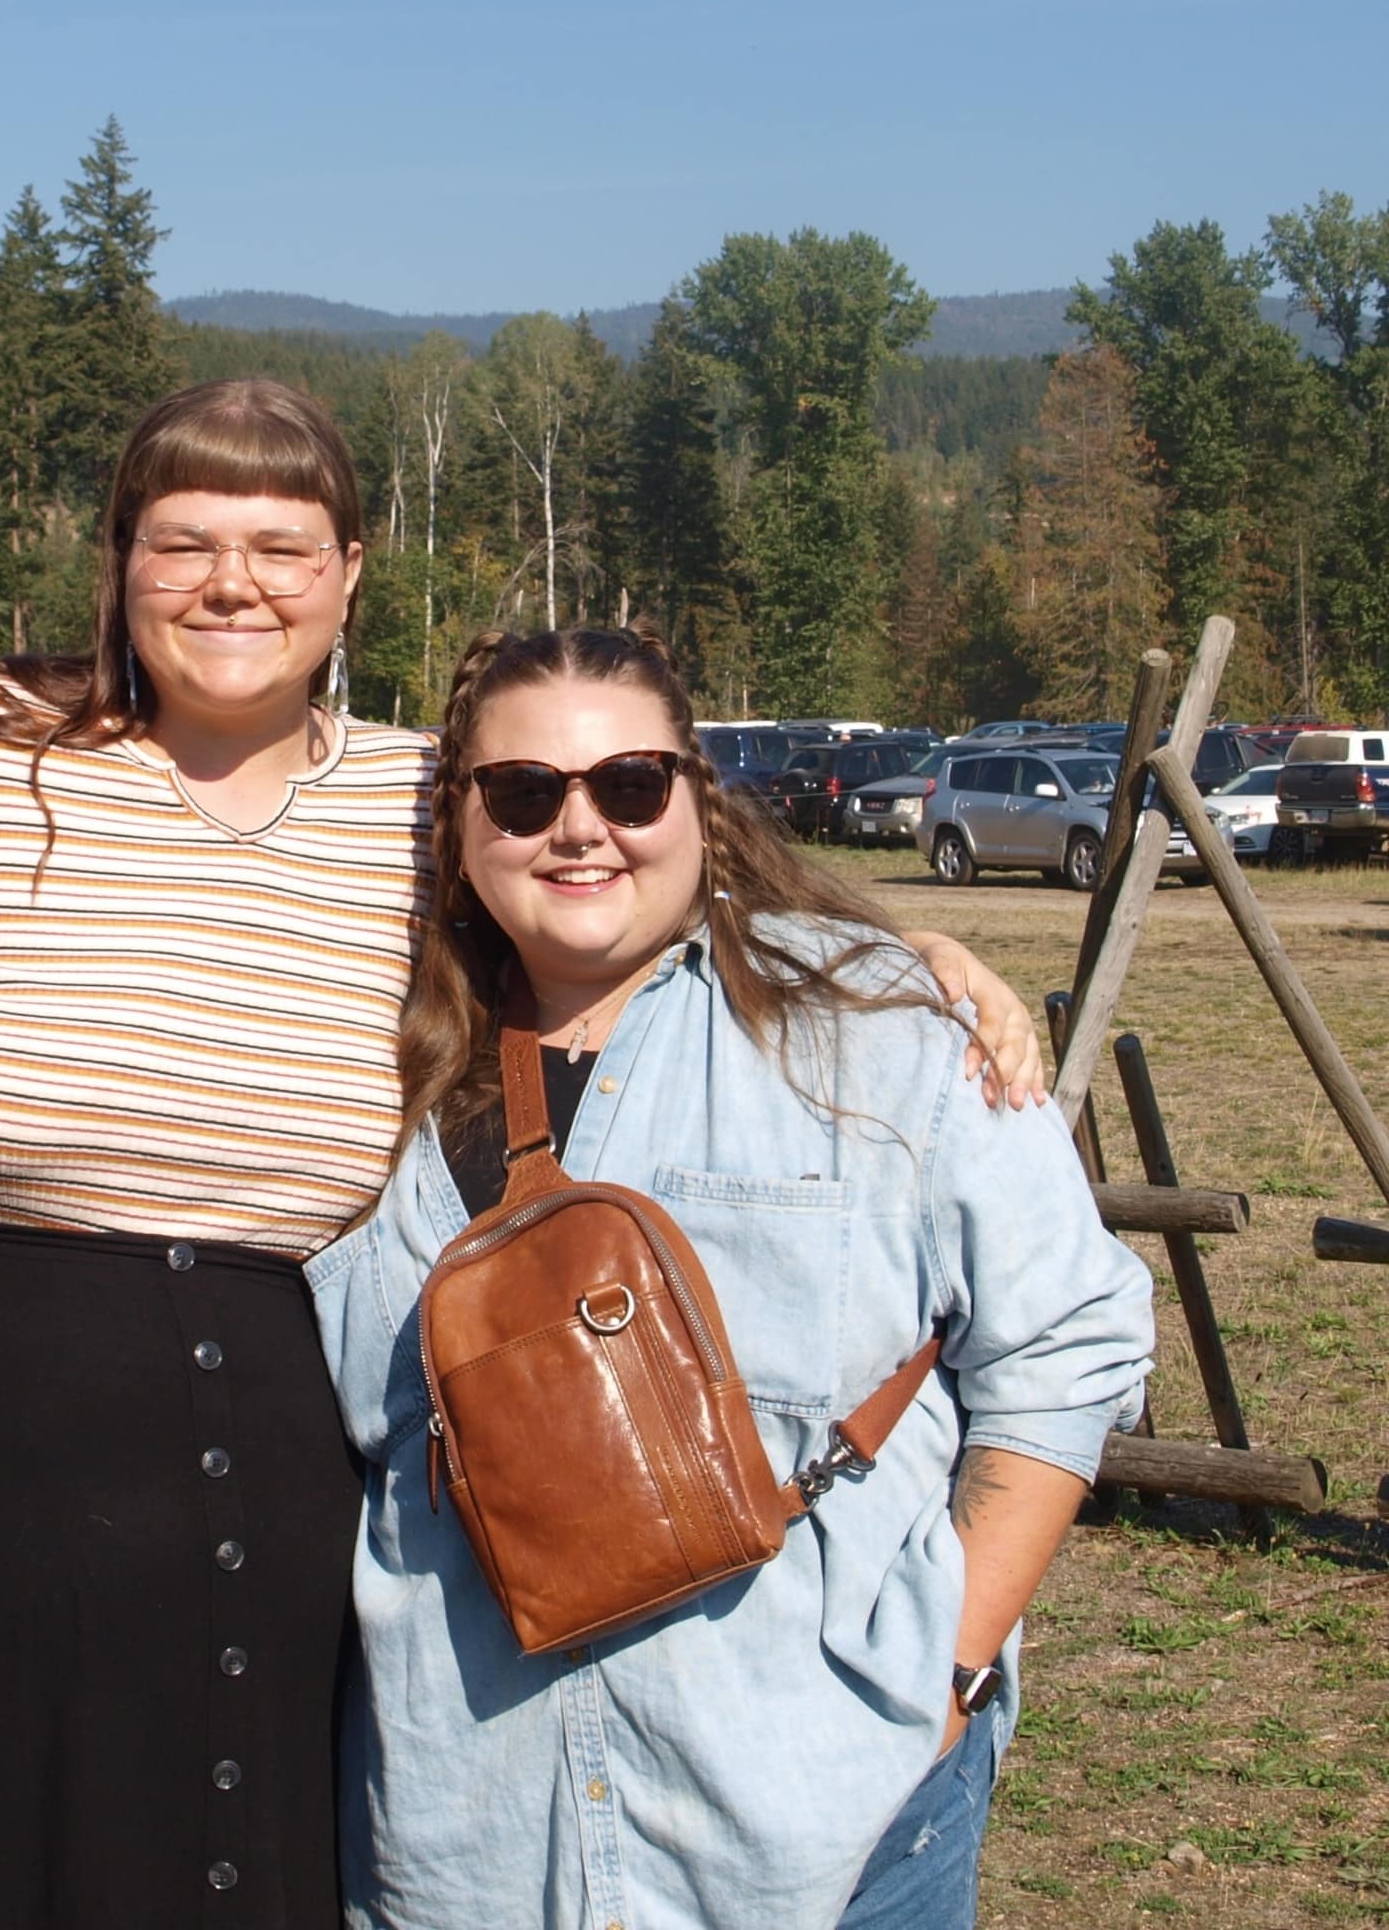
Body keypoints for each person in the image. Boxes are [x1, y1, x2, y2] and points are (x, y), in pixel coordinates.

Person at [0, 380, 1050, 1928]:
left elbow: (649, 879)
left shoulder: (422, 798)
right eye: (185, 543)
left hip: (271, 1485)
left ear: (350, 572)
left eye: (283, 547)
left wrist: (919, 962)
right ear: (120, 560)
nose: (234, 583)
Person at [306, 625, 1154, 1930]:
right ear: (459, 825)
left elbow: (1067, 1346)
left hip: (830, 1840)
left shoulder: (877, 1033)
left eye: (629, 785)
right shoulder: (357, 1084)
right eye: (523, 793)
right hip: (468, 1848)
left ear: (696, 799)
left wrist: (950, 1678)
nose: (579, 829)